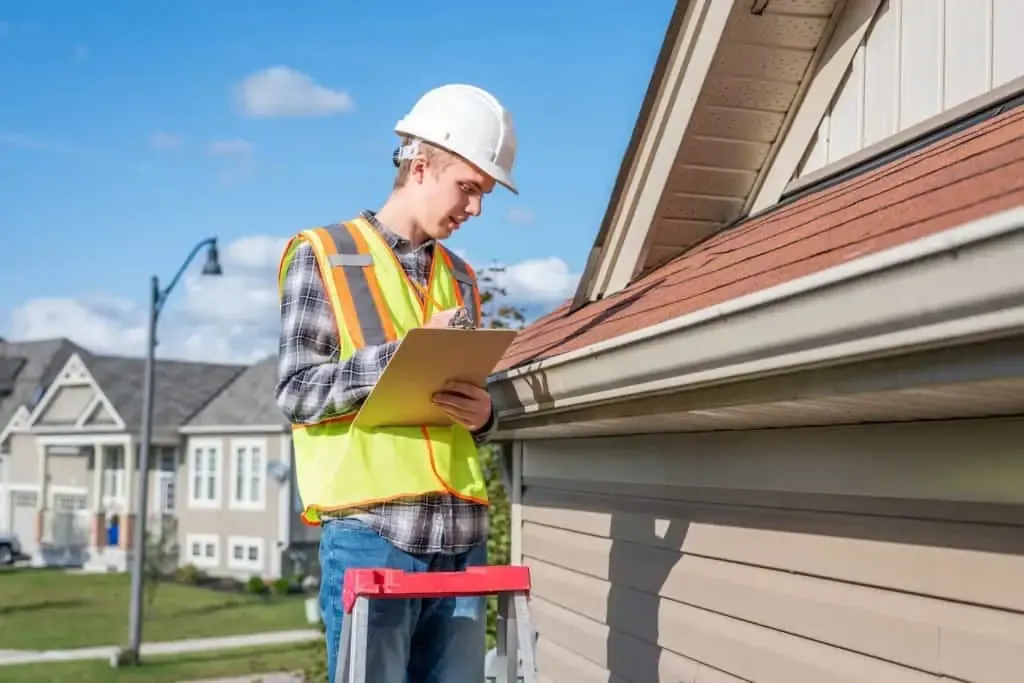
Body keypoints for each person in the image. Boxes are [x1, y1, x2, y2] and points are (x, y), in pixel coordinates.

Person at [274, 83, 518, 683]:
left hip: (461, 534)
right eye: (468, 188)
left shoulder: (460, 279)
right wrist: (398, 357)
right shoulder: (323, 255)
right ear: (419, 165)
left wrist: (483, 414)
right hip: (374, 531)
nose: (475, 209)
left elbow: (455, 415)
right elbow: (298, 393)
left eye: (483, 195)